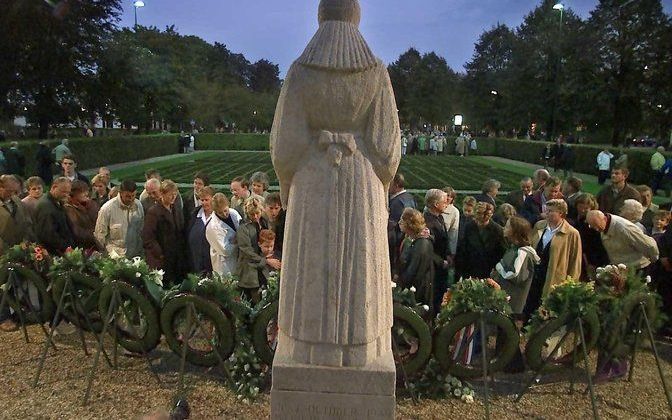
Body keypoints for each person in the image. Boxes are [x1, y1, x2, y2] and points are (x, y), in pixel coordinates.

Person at [525, 199, 582, 317]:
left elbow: (575, 262)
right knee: (529, 308)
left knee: (545, 312)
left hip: (553, 278)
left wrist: (570, 285)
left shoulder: (572, 233)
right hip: (534, 276)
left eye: (550, 211)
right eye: (546, 210)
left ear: (561, 213)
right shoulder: (539, 226)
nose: (546, 213)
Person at [493, 216, 540, 314]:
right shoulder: (513, 248)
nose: (504, 228)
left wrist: (499, 267)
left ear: (515, 231)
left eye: (507, 227)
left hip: (512, 302)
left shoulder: (523, 253)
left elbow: (515, 275)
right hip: (502, 299)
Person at [142, 180, 185, 287]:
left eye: (175, 195)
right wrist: (160, 254)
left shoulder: (175, 208)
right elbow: (147, 238)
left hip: (176, 258)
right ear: (162, 194)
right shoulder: (154, 212)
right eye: (171, 195)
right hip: (163, 260)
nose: (173, 197)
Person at [586, 210, 659, 272]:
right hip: (621, 269)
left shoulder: (625, 228)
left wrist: (654, 261)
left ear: (604, 219)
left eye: (597, 225)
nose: (596, 229)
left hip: (638, 268)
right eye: (592, 226)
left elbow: (649, 245)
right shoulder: (602, 226)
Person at [236, 198, 275, 303]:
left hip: (262, 268)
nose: (255, 217)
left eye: (257, 213)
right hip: (249, 269)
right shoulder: (243, 228)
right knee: (252, 300)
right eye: (252, 214)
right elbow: (246, 250)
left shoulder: (264, 223)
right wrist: (265, 260)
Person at [397, 208, 436, 313]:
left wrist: (401, 284)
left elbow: (414, 271)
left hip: (419, 292)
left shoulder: (422, 244)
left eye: (402, 220)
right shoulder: (412, 240)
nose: (399, 222)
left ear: (410, 224)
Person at [456, 202, 506, 280]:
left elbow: (501, 252)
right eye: (478, 213)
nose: (480, 216)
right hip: (471, 268)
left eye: (483, 214)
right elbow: (463, 249)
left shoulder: (497, 230)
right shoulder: (469, 227)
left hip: (489, 269)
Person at [94, 179, 144, 258]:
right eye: (127, 196)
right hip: (115, 257)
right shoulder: (107, 209)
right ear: (120, 193)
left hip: (135, 255)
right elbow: (99, 236)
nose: (131, 199)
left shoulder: (138, 205)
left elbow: (141, 228)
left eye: (133, 196)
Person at [571, 193, 610, 281]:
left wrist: (591, 262)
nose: (583, 210)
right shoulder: (573, 218)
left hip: (590, 257)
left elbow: (596, 245)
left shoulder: (592, 224)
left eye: (586, 208)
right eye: (580, 206)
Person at [424, 189, 450, 312]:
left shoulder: (439, 218)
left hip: (441, 268)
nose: (447, 204)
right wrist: (441, 262)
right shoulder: (428, 222)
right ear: (435, 204)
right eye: (444, 201)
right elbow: (427, 249)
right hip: (433, 269)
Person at [34, 177, 75, 255]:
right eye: (63, 192)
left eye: (68, 192)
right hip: (55, 252)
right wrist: (65, 247)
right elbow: (48, 234)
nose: (66, 195)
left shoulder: (57, 202)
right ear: (54, 187)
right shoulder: (45, 206)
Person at [206, 193, 242, 277]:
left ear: (228, 205)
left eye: (225, 210)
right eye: (220, 213)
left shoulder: (233, 213)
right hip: (224, 264)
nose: (224, 214)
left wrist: (235, 240)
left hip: (238, 259)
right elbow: (225, 250)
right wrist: (239, 240)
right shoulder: (212, 226)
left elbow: (242, 229)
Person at [388, 173, 416, 271]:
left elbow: (391, 227)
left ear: (396, 185)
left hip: (396, 246)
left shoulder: (397, 202)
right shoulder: (409, 197)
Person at [64, 180, 101, 250]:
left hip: (99, 242)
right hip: (84, 247)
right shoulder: (69, 209)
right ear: (73, 195)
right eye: (82, 192)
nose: (86, 193)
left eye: (86, 190)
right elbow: (77, 232)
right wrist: (95, 235)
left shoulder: (93, 204)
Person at [0, 175, 33, 253]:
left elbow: (27, 222)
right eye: (9, 191)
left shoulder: (17, 201)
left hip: (22, 249)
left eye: (15, 191)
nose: (12, 194)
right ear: (1, 188)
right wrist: (7, 251)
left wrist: (26, 240)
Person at [186, 186, 215, 274]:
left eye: (206, 200)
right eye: (202, 200)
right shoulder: (195, 215)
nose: (204, 203)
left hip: (212, 261)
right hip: (196, 260)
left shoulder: (218, 216)